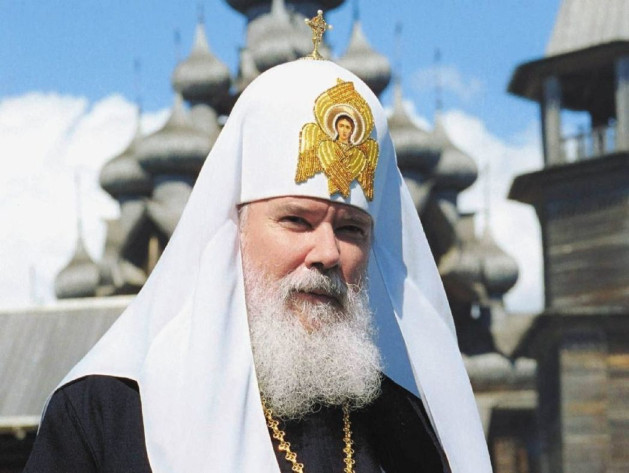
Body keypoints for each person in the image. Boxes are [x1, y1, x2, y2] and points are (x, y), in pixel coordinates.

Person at [24, 54, 491, 472]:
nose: (328, 253)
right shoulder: (108, 411)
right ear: (236, 232)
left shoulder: (412, 426)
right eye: (297, 220)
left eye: (351, 229)